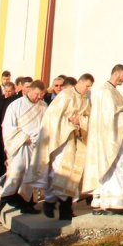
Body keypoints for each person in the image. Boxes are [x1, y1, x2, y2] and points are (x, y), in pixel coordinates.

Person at [32, 73, 93, 219]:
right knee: (60, 172)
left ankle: (64, 207)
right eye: (87, 86)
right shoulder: (66, 96)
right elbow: (52, 118)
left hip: (76, 140)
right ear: (80, 82)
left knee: (73, 174)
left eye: (90, 87)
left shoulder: (85, 99)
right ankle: (52, 202)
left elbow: (88, 116)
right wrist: (70, 122)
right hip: (62, 140)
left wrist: (80, 121)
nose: (88, 89)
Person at [84, 64, 123, 215]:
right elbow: (107, 117)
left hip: (117, 137)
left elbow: (117, 113)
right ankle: (111, 203)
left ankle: (117, 202)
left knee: (120, 168)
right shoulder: (105, 91)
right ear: (116, 73)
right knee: (114, 168)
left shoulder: (113, 91)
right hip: (109, 139)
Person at [0, 79, 47, 218]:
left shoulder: (43, 106)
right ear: (29, 90)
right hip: (20, 146)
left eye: (41, 94)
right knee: (15, 175)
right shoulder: (16, 105)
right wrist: (23, 137)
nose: (38, 97)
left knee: (30, 177)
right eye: (36, 94)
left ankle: (27, 205)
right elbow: (8, 126)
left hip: (35, 148)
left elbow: (46, 126)